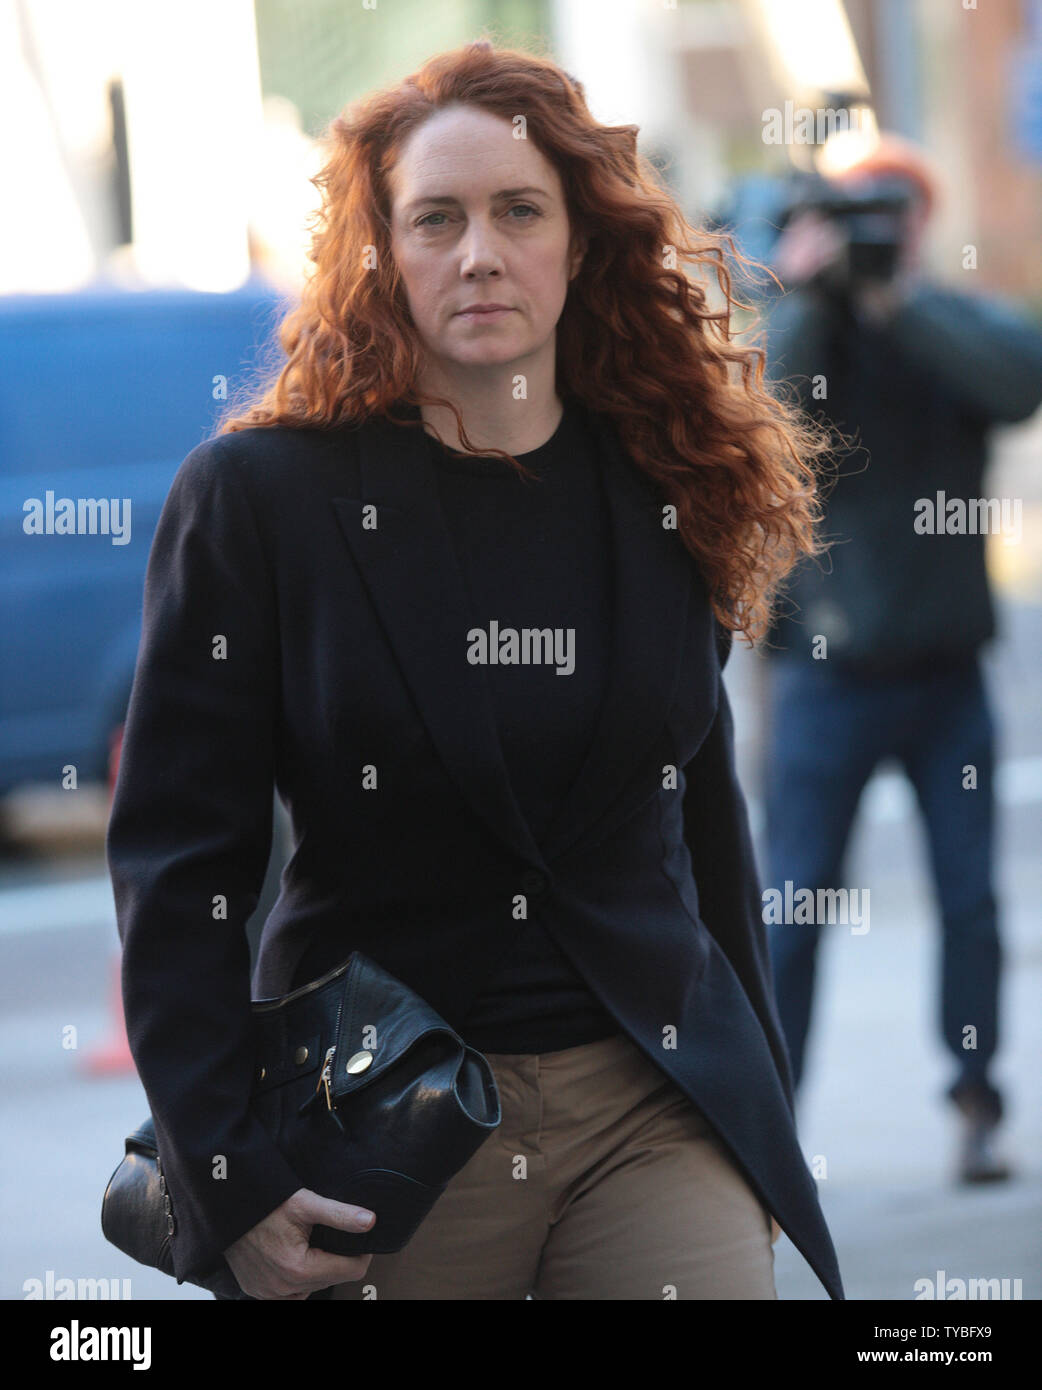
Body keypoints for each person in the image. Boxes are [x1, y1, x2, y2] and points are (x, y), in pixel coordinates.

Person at [106, 40, 844, 1301]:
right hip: (391, 1122)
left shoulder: (666, 476)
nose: (480, 252)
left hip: (649, 1104)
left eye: (519, 211)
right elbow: (181, 863)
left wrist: (754, 1113)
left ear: (580, 240)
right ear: (384, 252)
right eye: (435, 219)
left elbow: (701, 821)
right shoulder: (260, 500)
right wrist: (226, 1176)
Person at [759, 133, 1042, 1182]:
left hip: (945, 677)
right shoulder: (805, 328)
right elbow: (767, 417)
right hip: (825, 677)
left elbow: (1019, 384)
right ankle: (768, 1123)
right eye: (859, 208)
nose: (880, 225)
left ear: (921, 222)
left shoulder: (944, 322)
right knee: (792, 909)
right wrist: (810, 292)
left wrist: (895, 302)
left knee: (969, 905)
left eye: (895, 207)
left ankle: (975, 1102)